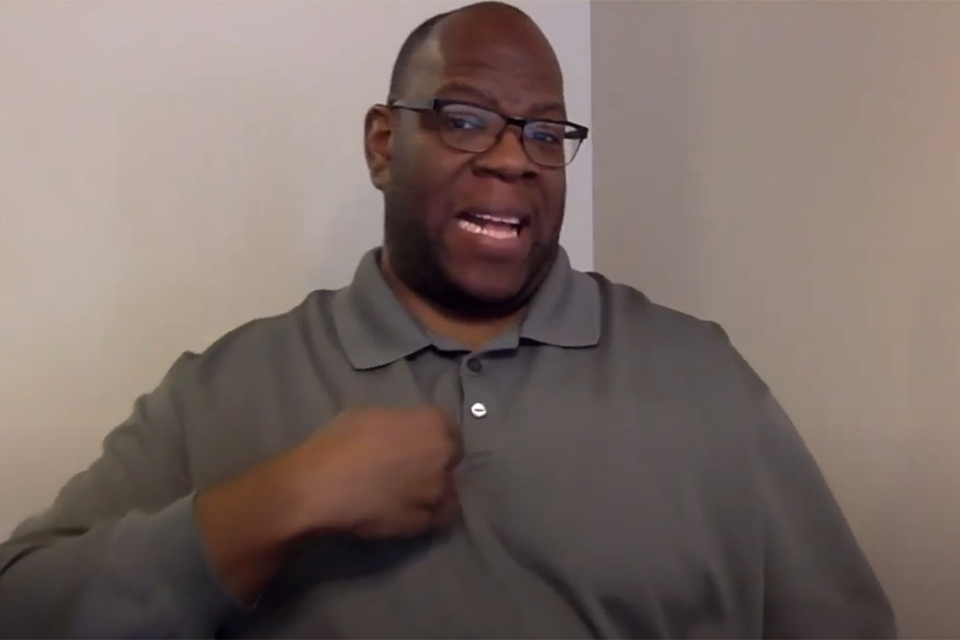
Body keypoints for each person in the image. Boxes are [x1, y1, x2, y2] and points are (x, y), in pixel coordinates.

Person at [0, 2, 897, 639]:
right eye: (466, 119)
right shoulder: (223, 391)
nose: (514, 160)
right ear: (383, 143)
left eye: (545, 134)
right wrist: (278, 503)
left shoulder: (704, 378)